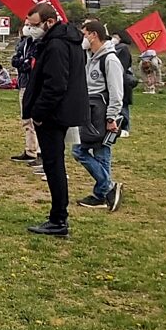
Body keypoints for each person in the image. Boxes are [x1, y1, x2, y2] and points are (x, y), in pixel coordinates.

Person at [22, 3, 88, 237]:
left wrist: (39, 114)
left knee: (54, 165)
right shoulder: (67, 41)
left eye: (35, 25)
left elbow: (55, 85)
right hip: (62, 111)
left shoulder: (57, 45)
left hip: (53, 114)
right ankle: (58, 216)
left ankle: (58, 219)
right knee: (54, 164)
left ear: (49, 22)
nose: (31, 30)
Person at [74, 20, 125, 212]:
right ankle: (102, 194)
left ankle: (108, 186)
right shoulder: (90, 56)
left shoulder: (109, 60)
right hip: (90, 109)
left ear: (94, 34)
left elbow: (116, 91)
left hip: (101, 113)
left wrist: (112, 117)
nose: (83, 38)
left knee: (79, 151)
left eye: (85, 33)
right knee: (102, 154)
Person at [10, 23, 41, 164]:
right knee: (26, 120)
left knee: (37, 120)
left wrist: (24, 63)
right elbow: (15, 61)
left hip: (35, 85)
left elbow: (30, 64)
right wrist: (23, 62)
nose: (27, 27)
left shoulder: (40, 44)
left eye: (30, 25)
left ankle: (40, 152)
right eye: (26, 24)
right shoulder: (24, 43)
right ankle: (30, 150)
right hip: (23, 83)